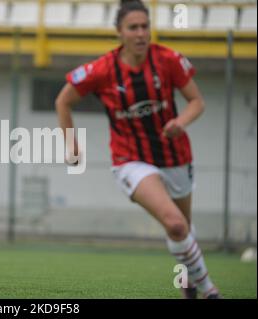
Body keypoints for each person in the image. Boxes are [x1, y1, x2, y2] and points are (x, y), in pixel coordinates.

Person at [55, 0, 220, 299]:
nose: (141, 33)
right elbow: (63, 101)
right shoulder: (102, 69)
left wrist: (180, 122)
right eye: (133, 27)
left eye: (145, 27)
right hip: (130, 159)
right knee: (174, 223)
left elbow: (197, 102)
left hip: (176, 157)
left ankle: (187, 279)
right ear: (119, 32)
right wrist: (71, 142)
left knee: (183, 229)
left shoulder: (168, 60)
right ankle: (210, 292)